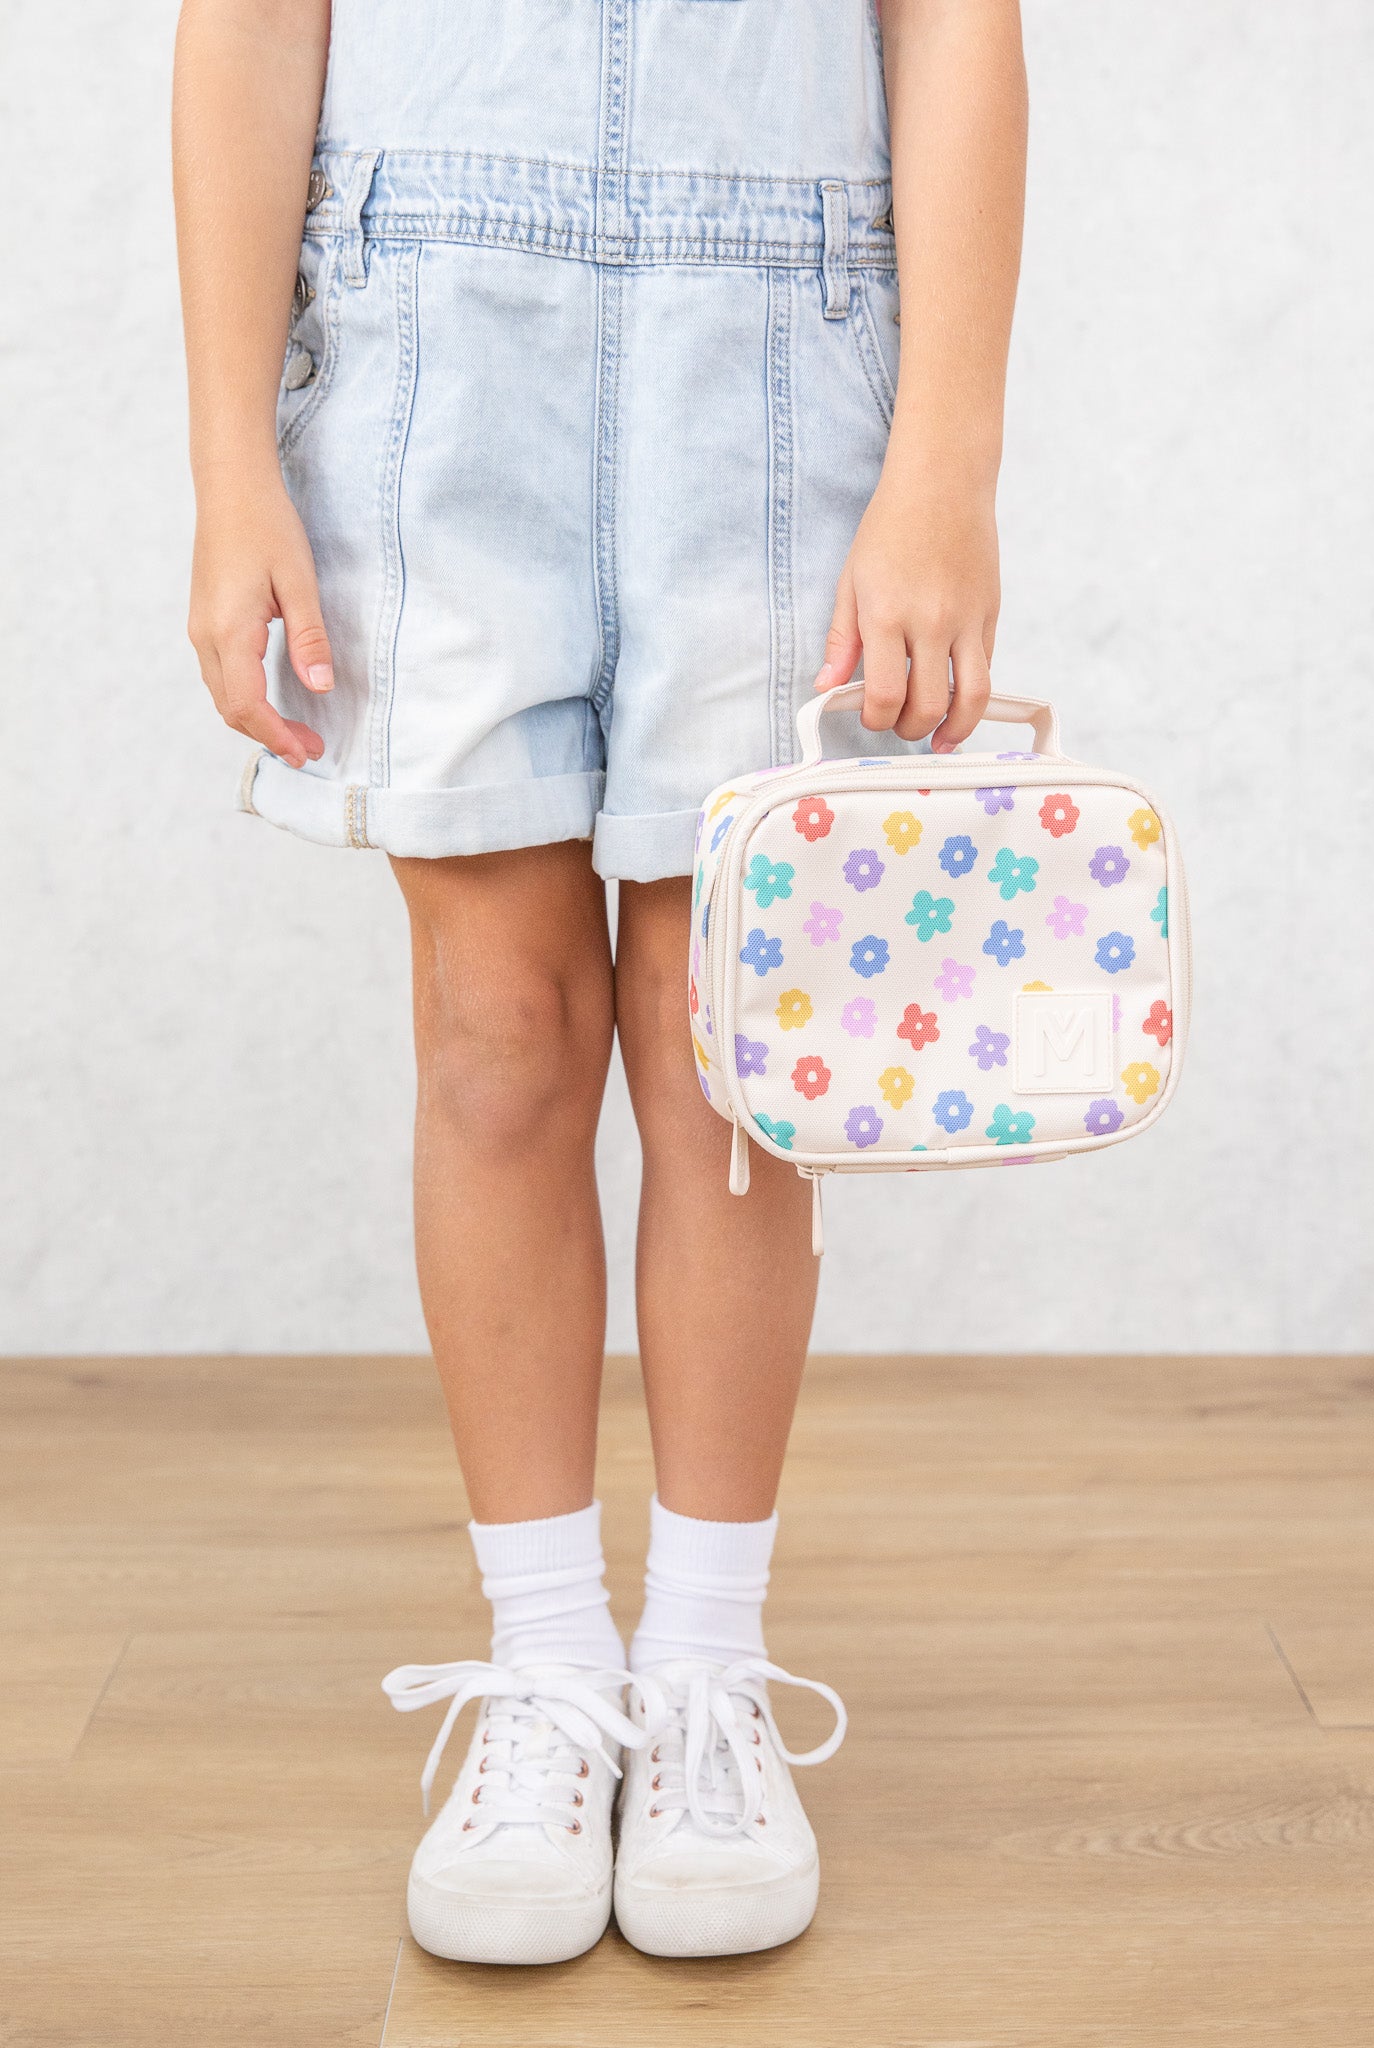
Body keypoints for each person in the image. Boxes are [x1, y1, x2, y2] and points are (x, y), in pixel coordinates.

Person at [174, 0, 1025, 1966]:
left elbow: (955, 25)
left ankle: (706, 1668)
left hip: (783, 336)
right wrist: (229, 462)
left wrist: (948, 462)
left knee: (729, 1053)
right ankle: (551, 1664)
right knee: (498, 1037)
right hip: (433, 338)